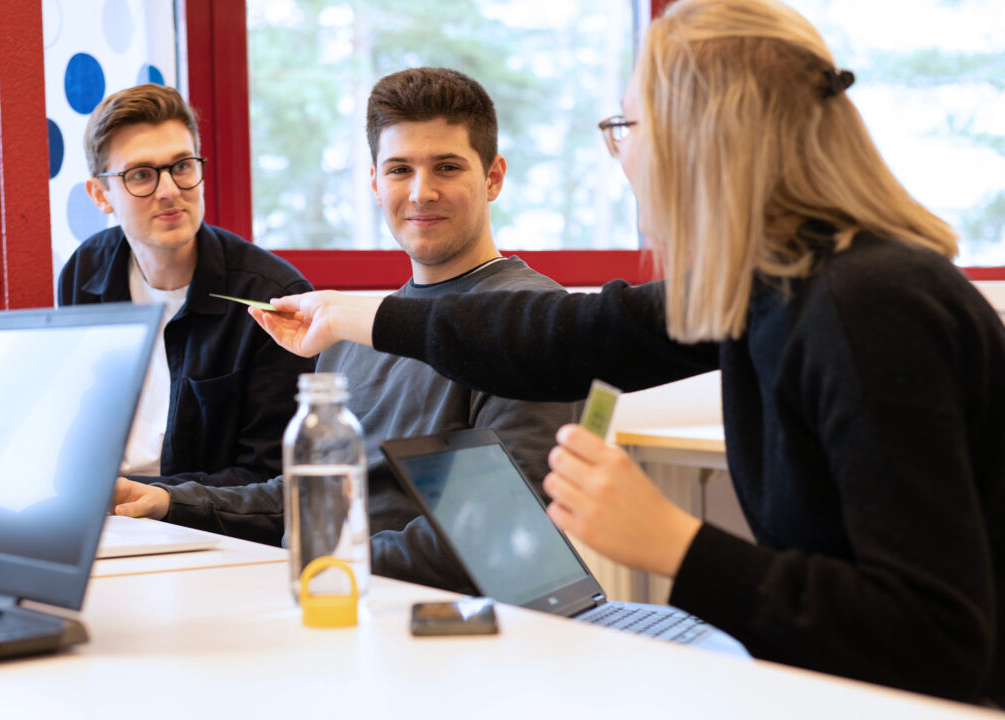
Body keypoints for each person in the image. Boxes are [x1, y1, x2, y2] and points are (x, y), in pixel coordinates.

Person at [247, 0, 1005, 705]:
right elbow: (566, 336)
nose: (622, 158)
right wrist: (354, 315)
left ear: (703, 141)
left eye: (628, 129)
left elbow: (935, 640)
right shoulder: (768, 284)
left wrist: (675, 543)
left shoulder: (865, 305)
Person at [111, 67, 580, 591]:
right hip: (334, 602)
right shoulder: (361, 330)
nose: (421, 192)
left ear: (493, 177)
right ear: (376, 183)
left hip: (440, 627)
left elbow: (492, 533)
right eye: (400, 169)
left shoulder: (532, 317)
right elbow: (303, 498)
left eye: (446, 167)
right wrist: (171, 501)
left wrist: (318, 565)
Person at [57, 83, 315, 488]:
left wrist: (156, 499)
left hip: (208, 529)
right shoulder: (84, 273)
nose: (169, 191)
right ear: (100, 194)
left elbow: (272, 481)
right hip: (101, 509)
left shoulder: (271, 295)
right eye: (140, 175)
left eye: (182, 166)